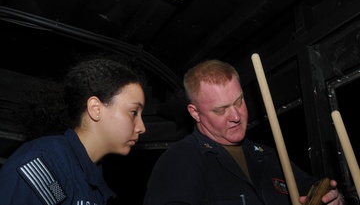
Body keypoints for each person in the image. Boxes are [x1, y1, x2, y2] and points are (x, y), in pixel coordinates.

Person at [143, 59, 344, 205]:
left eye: (239, 102)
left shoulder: (268, 156)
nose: (236, 116)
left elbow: (315, 189)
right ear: (195, 113)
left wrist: (333, 198)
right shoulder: (180, 160)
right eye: (221, 109)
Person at [0, 57, 146, 205]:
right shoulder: (44, 163)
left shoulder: (96, 187)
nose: (142, 127)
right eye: (133, 112)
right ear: (96, 109)